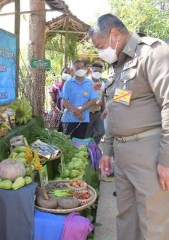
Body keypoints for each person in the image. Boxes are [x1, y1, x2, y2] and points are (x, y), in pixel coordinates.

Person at [89, 13, 169, 240]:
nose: (99, 53)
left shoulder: (153, 53)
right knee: (126, 218)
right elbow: (117, 111)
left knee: (153, 223)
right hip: (123, 155)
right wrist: (107, 151)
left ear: (114, 34)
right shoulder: (119, 66)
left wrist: (166, 160)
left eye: (100, 45)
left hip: (149, 153)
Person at [61, 60, 98, 139]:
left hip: (83, 119)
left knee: (79, 144)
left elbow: (93, 100)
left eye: (82, 67)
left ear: (85, 68)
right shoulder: (68, 83)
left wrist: (81, 109)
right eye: (77, 68)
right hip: (68, 118)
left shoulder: (90, 83)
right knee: (66, 143)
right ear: (73, 70)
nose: (80, 69)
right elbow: (64, 101)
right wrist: (75, 111)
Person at [85, 62, 105, 145]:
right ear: (91, 71)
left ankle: (93, 146)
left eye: (99, 72)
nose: (97, 73)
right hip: (87, 113)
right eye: (95, 71)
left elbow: (102, 99)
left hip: (98, 113)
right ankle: (86, 152)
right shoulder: (85, 83)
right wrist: (93, 102)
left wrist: (103, 111)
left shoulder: (103, 84)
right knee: (86, 135)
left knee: (101, 131)